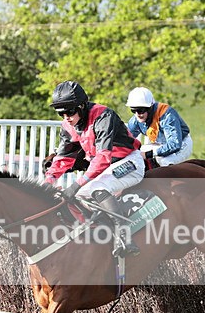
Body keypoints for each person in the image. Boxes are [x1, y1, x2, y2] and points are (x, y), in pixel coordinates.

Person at [43, 80, 144, 256]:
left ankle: (124, 234)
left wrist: (76, 185)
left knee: (95, 187)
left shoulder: (104, 116)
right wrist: (48, 182)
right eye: (61, 113)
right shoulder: (69, 126)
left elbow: (103, 157)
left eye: (70, 111)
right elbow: (63, 158)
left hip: (130, 162)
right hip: (106, 169)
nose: (66, 116)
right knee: (80, 196)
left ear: (81, 106)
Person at [125, 87, 193, 169]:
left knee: (164, 162)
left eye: (140, 110)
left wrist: (148, 154)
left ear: (149, 108)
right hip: (159, 144)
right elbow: (126, 139)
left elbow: (174, 144)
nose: (137, 115)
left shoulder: (167, 115)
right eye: (133, 110)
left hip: (181, 144)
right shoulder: (136, 120)